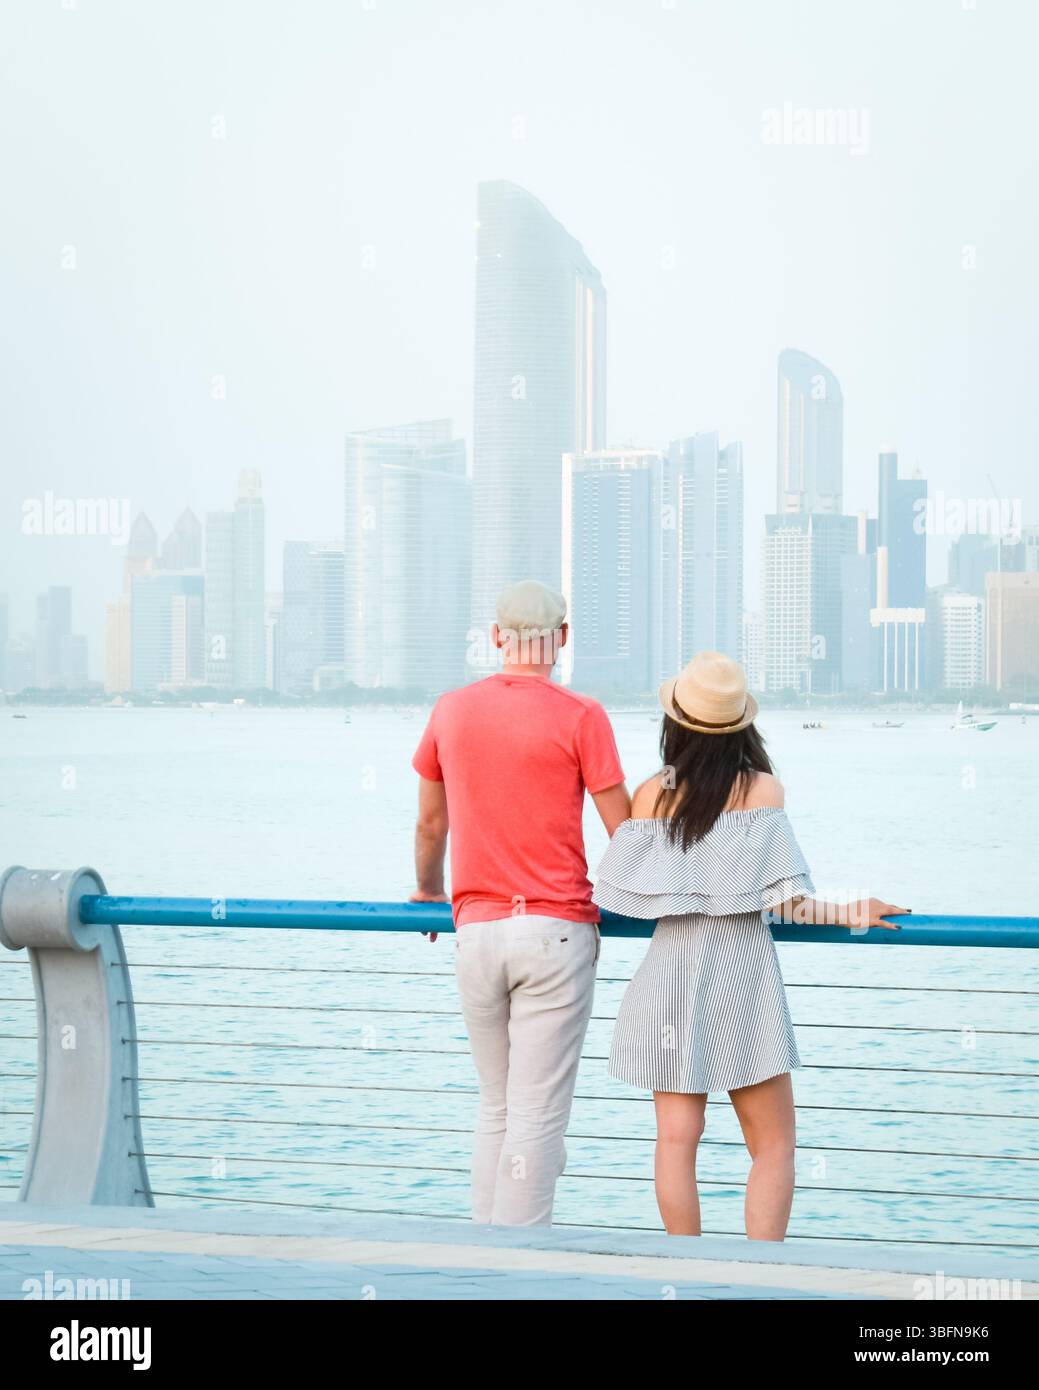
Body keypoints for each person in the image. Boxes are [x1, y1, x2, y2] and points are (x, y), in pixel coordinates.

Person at [592, 650, 908, 1241]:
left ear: (675, 724)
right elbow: (786, 902)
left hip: (671, 973)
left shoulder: (648, 795)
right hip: (742, 975)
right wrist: (854, 912)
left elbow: (620, 895)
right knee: (773, 1146)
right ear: (742, 726)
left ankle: (685, 1271)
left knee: (675, 1143)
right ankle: (761, 1273)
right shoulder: (764, 791)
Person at [409, 579, 630, 1226]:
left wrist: (427, 888)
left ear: (497, 636)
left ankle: (484, 1255)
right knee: (535, 1114)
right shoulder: (580, 715)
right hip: (555, 930)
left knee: (497, 1108)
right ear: (560, 638)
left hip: (475, 933)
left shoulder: (450, 711)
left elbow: (430, 825)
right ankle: (518, 1268)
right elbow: (623, 830)